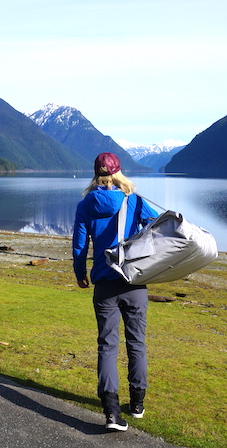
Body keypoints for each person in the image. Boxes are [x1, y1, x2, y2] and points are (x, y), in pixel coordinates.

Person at [72, 152, 158, 432]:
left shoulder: (86, 204)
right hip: (134, 282)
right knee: (137, 343)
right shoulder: (135, 201)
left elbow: (80, 245)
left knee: (107, 346)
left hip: (104, 285)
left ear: (96, 174)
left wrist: (80, 273)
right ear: (119, 172)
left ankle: (111, 413)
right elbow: (157, 228)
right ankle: (137, 404)